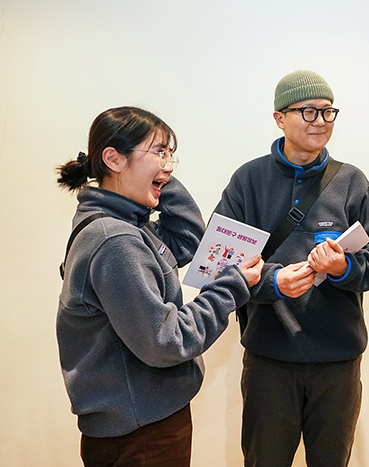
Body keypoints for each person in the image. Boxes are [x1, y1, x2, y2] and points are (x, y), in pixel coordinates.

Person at [56, 106, 263, 467]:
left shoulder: (124, 226)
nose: (169, 164)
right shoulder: (115, 240)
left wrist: (158, 175)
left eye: (170, 154)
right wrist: (232, 286)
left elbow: (187, 241)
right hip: (140, 434)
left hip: (140, 422)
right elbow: (167, 341)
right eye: (159, 151)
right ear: (113, 159)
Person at [214, 70, 369, 467]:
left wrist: (343, 267)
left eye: (328, 112)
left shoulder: (351, 181)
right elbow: (220, 264)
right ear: (280, 118)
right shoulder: (248, 180)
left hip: (338, 360)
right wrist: (272, 282)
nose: (321, 122)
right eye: (308, 112)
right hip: (269, 358)